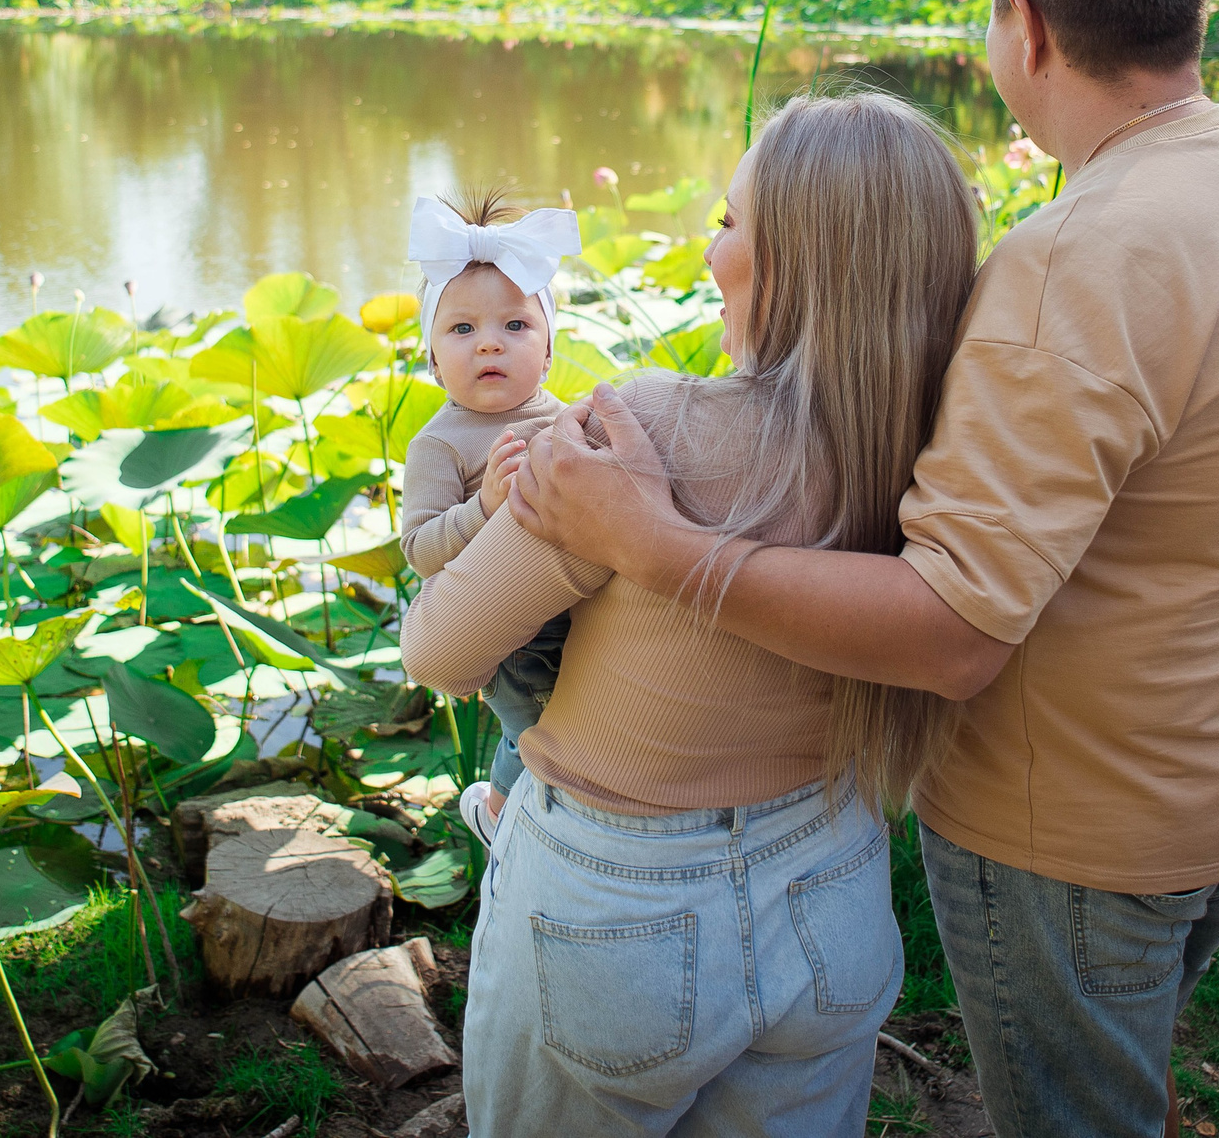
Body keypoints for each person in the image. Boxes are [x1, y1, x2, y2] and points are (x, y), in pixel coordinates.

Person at [509, 0, 1219, 1138]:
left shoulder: (1075, 258)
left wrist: (658, 544)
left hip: (1076, 833)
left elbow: (953, 631)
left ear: (1024, 27)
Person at [400, 91, 980, 1138]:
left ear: (793, 259)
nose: (709, 251)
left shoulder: (645, 428)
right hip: (833, 879)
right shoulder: (942, 450)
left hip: (616, 916)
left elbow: (438, 650)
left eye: (726, 220)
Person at [398, 190, 579, 845]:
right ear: (432, 358)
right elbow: (420, 548)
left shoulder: (566, 418)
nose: (490, 345)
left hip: (579, 608)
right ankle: (502, 815)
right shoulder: (441, 444)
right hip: (511, 633)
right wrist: (484, 507)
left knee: (586, 718)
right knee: (535, 728)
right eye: (462, 330)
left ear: (549, 349)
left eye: (516, 326)